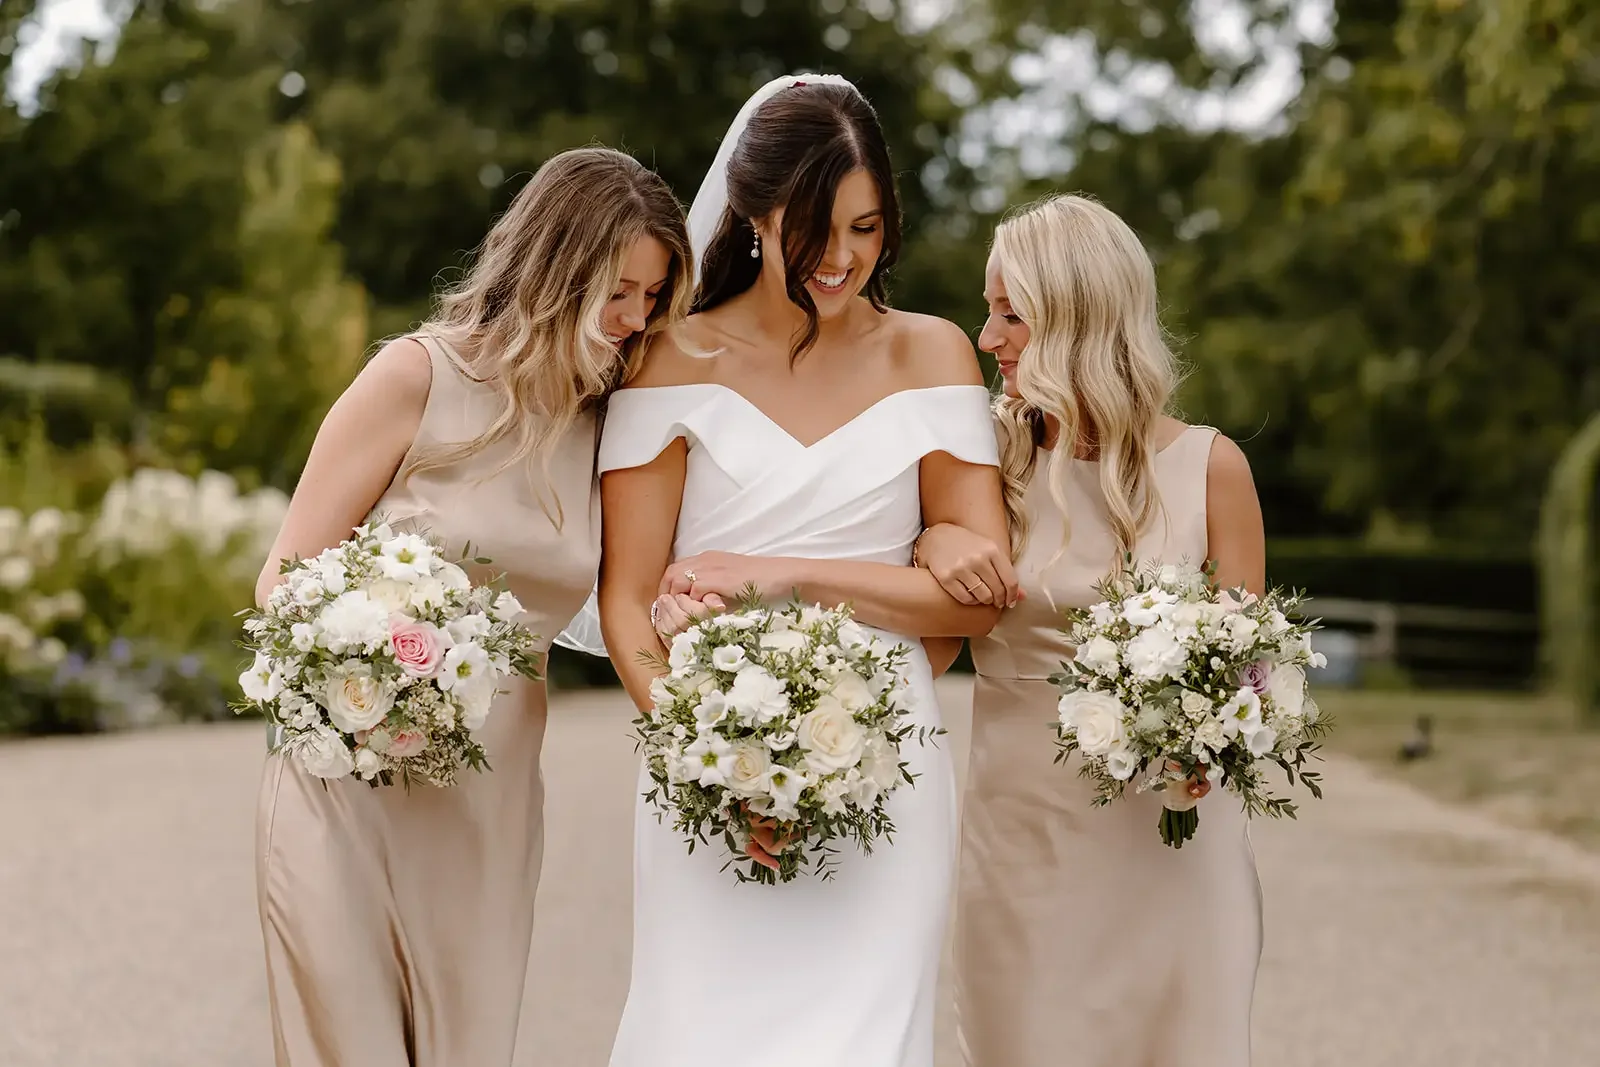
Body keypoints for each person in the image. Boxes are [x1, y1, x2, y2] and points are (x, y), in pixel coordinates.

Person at [592, 74, 1009, 1067]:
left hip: (888, 765)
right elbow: (625, 598)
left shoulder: (936, 356)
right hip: (706, 765)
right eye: (815, 228)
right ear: (752, 214)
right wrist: (707, 750)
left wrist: (774, 574)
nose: (843, 257)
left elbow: (976, 606)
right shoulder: (666, 358)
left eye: (866, 227)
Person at [251, 147, 693, 1066]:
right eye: (619, 291)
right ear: (554, 267)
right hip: (347, 779)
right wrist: (380, 664)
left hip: (486, 799)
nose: (634, 319)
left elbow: (642, 584)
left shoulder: (611, 426)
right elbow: (285, 577)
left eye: (652, 298)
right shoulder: (415, 376)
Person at [914, 193, 1266, 1067]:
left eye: (1010, 314)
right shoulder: (981, 458)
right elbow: (934, 624)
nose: (986, 336)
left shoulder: (1213, 468)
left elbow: (1255, 679)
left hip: (1174, 847)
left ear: (1079, 318)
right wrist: (936, 532)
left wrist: (1211, 741)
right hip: (1023, 845)